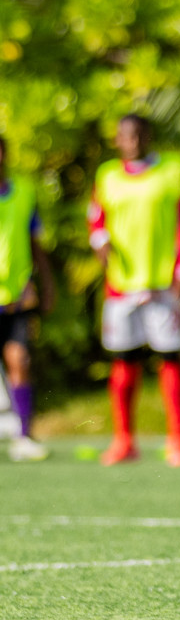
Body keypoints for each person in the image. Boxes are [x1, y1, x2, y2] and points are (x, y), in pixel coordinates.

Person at [88, 115, 180, 467]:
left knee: (170, 358)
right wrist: (99, 239)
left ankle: (177, 440)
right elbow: (97, 219)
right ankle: (123, 440)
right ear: (117, 139)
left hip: (163, 280)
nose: (131, 140)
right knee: (124, 361)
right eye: (125, 135)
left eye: (137, 134)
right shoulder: (107, 176)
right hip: (122, 284)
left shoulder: (173, 170)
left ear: (148, 135)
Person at [0, 135, 55, 462]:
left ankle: (24, 435)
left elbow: (36, 243)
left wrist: (46, 284)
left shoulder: (24, 191)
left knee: (20, 361)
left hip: (16, 296)